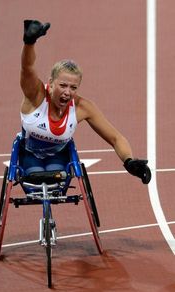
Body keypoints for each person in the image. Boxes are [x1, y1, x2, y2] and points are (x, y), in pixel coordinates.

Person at [19, 20, 151, 184]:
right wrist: (29, 43)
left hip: (59, 157)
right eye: (63, 85)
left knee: (56, 181)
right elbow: (27, 67)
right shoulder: (36, 95)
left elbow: (116, 138)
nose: (68, 92)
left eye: (73, 88)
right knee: (36, 176)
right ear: (51, 83)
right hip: (28, 154)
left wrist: (129, 161)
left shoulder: (82, 107)